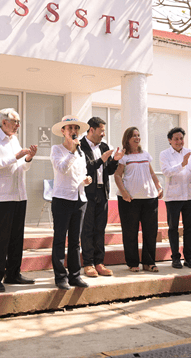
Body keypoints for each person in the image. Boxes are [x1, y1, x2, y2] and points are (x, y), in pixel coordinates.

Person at [0, 108, 37, 293]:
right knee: (1, 237)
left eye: (19, 122)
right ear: (4, 122)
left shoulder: (14, 139)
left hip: (19, 193)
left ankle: (13, 273)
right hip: (1, 195)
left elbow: (22, 167)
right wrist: (16, 157)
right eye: (15, 122)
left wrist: (28, 159)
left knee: (16, 237)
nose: (18, 125)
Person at [50, 115, 93, 290]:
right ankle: (60, 277)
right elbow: (61, 168)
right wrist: (72, 151)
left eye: (76, 129)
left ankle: (75, 276)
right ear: (63, 131)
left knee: (75, 240)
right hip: (62, 199)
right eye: (70, 129)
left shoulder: (81, 152)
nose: (74, 132)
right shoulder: (57, 149)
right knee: (60, 239)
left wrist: (86, 179)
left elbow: (79, 174)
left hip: (80, 199)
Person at [114, 127, 163, 272]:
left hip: (150, 198)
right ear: (127, 139)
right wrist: (124, 192)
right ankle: (133, 263)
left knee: (150, 231)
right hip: (130, 200)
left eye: (138, 135)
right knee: (130, 232)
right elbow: (117, 175)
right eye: (134, 136)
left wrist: (159, 187)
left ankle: (149, 262)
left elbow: (152, 173)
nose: (137, 138)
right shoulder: (124, 156)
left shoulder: (145, 154)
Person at [80, 117, 123, 278]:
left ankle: (99, 262)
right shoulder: (80, 146)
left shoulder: (104, 146)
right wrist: (101, 159)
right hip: (87, 193)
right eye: (101, 131)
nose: (103, 134)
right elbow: (86, 168)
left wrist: (115, 161)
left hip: (102, 192)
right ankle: (88, 263)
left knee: (100, 228)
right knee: (87, 229)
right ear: (92, 130)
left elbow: (109, 171)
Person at [160, 127, 191, 269]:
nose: (179, 141)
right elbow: (167, 172)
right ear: (170, 140)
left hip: (190, 196)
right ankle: (175, 258)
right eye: (176, 139)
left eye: (181, 138)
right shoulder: (164, 154)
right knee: (173, 228)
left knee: (189, 228)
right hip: (173, 197)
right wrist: (182, 164)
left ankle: (189, 258)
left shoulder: (190, 153)